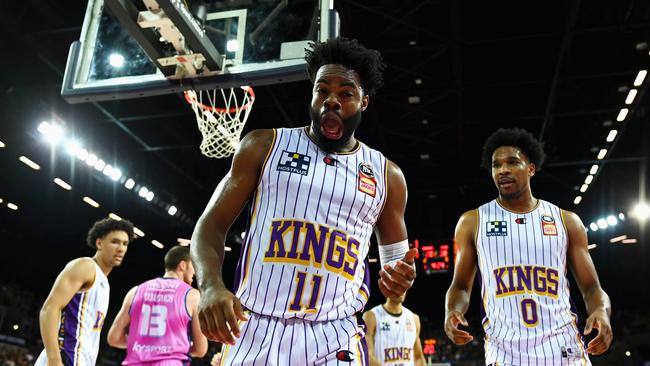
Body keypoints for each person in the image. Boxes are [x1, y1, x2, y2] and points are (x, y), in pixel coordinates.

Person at [191, 37, 418, 365]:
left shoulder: (387, 176)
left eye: (346, 93)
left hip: (334, 333)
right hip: (256, 327)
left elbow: (397, 269)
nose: (332, 101)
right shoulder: (264, 146)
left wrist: (400, 279)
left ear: (364, 101)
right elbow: (210, 226)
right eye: (322, 90)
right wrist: (210, 286)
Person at [444, 128, 613, 365]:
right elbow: (461, 286)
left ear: (531, 169)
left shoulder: (566, 221)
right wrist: (452, 311)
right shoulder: (472, 222)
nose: (503, 170)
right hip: (505, 352)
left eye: (513, 162)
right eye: (496, 165)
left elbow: (592, 287)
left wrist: (601, 312)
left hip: (563, 347)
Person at [35, 218, 134, 366]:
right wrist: (55, 359)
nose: (121, 248)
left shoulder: (104, 283)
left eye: (125, 244)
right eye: (115, 242)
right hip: (65, 357)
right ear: (99, 243)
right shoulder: (85, 266)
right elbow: (49, 309)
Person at [107, 245, 208, 365]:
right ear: (183, 265)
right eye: (193, 266)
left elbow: (114, 338)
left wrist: (145, 346)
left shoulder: (136, 291)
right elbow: (201, 349)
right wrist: (170, 350)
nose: (195, 272)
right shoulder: (192, 295)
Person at [363, 294, 425, 366]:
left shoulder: (414, 318)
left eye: (404, 286)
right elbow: (367, 355)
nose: (401, 290)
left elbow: (418, 357)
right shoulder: (371, 316)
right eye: (397, 285)